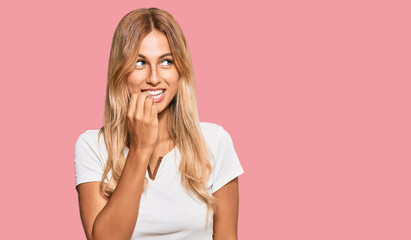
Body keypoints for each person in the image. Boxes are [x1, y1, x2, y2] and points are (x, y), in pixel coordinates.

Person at [74, 7, 244, 240]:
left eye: (166, 61)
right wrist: (139, 149)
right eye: (140, 62)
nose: (154, 78)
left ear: (180, 70)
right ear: (120, 71)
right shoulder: (92, 146)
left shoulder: (215, 141)